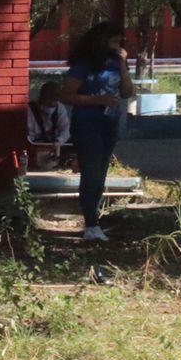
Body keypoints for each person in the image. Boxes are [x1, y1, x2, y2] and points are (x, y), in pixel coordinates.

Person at [60, 21, 134, 242]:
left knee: (101, 172)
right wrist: (96, 100)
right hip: (87, 122)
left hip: (110, 122)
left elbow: (127, 91)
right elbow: (66, 95)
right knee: (91, 171)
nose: (116, 46)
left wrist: (122, 64)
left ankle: (94, 220)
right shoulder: (84, 65)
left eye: (119, 43)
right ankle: (90, 223)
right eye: (113, 42)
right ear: (101, 42)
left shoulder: (116, 62)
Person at [26, 80, 71, 166]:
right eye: (48, 100)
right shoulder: (30, 109)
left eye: (54, 100)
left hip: (54, 146)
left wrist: (58, 142)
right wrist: (39, 146)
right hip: (35, 146)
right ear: (41, 98)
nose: (51, 103)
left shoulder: (60, 108)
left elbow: (65, 130)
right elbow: (29, 134)